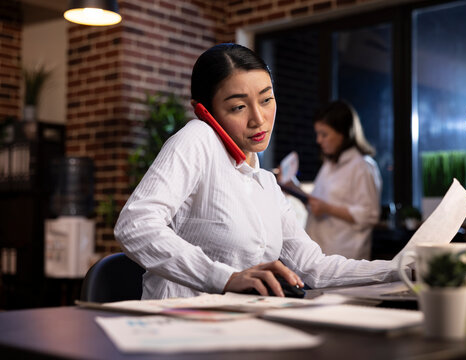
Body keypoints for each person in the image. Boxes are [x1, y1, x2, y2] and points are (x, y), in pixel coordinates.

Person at [114, 43, 398, 300]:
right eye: (238, 107)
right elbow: (135, 224)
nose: (258, 119)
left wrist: (402, 269)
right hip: (179, 330)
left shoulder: (265, 183)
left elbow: (315, 268)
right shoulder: (198, 138)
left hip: (241, 330)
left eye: (266, 99)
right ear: (204, 112)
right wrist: (224, 278)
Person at [305, 100, 382, 260]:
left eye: (324, 134)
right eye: (317, 134)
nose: (319, 140)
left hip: (345, 255)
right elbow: (319, 202)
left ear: (343, 133)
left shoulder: (362, 166)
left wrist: (328, 208)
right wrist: (292, 187)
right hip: (321, 252)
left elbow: (369, 215)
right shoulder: (329, 164)